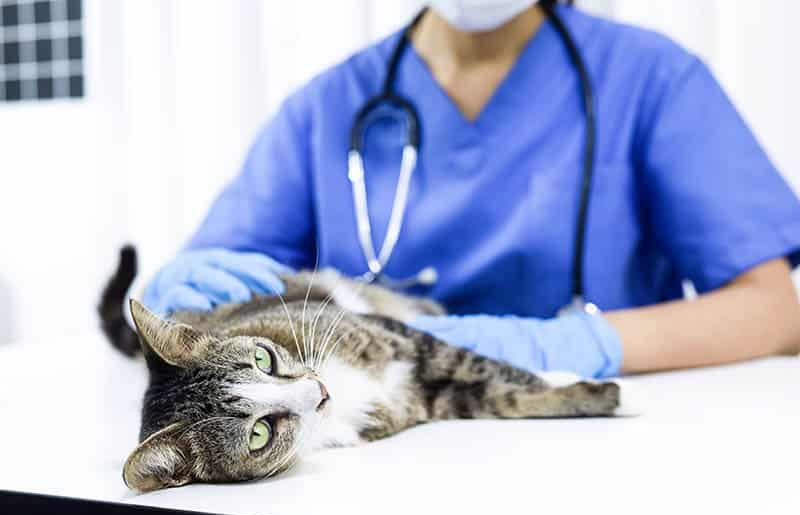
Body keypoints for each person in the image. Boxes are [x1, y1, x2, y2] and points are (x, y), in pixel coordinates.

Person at [143, 0, 800, 379]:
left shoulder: (650, 79)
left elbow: (774, 313)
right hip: (372, 461)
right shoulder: (329, 106)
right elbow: (201, 300)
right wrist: (187, 288)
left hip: (590, 442)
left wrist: (571, 347)